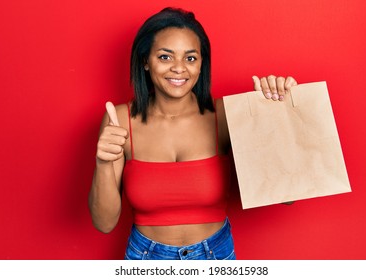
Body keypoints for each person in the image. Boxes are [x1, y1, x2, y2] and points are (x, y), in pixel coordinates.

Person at [89, 7, 297, 260]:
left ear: (201, 64)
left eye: (190, 58)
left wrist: (276, 115)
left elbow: (287, 198)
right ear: (145, 61)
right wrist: (103, 163)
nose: (179, 68)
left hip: (216, 256)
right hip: (145, 258)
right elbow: (104, 223)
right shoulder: (119, 119)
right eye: (165, 57)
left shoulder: (224, 115)